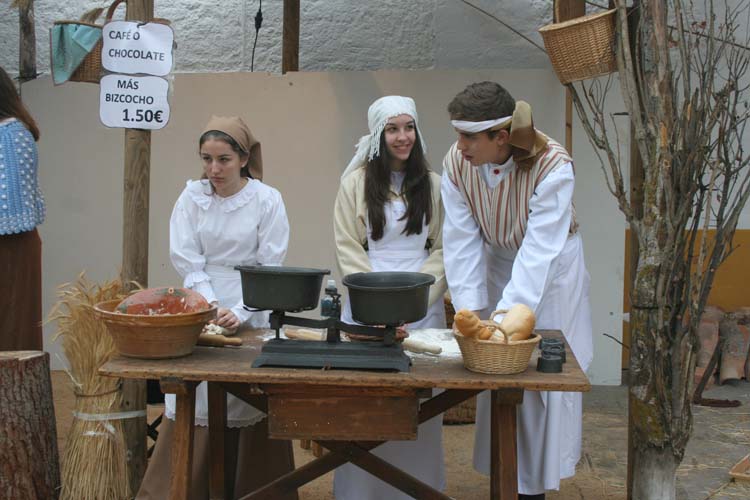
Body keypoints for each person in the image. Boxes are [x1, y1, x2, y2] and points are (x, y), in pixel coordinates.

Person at [441, 81, 594, 500]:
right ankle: (505, 476)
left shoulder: (553, 166)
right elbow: (461, 240)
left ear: (502, 137)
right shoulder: (458, 163)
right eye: (458, 134)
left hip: (552, 270)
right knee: (496, 368)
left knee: (542, 376)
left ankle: (535, 489)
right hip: (497, 262)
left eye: (469, 136)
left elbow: (540, 249)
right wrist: (472, 316)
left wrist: (508, 320)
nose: (460, 145)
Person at [136, 116, 296, 500]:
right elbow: (188, 258)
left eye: (223, 159)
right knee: (199, 391)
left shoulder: (266, 199)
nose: (213, 169)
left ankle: (251, 489)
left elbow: (270, 264)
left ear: (243, 158)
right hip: (200, 303)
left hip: (254, 300)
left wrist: (240, 310)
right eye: (206, 159)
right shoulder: (192, 197)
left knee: (246, 393)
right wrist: (209, 306)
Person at [333, 95, 447, 499]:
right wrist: (380, 305)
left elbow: (443, 251)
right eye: (393, 129)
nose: (403, 137)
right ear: (378, 136)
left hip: (422, 306)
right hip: (367, 306)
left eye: (409, 127)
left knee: (418, 406)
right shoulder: (355, 184)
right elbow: (348, 248)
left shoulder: (433, 185)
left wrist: (414, 301)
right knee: (367, 403)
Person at [0, 66, 45, 352]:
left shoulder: (12, 135)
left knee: (13, 328)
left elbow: (13, 207)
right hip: (12, 243)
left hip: (10, 246)